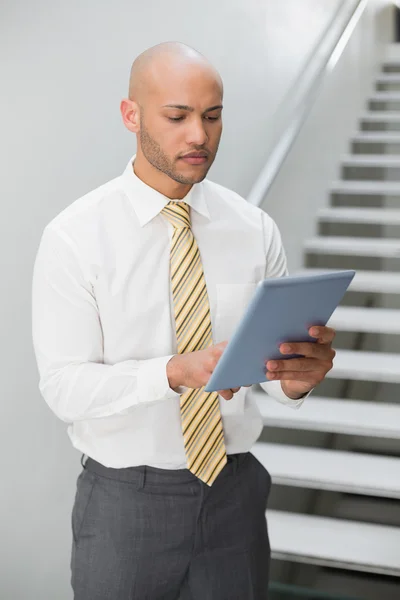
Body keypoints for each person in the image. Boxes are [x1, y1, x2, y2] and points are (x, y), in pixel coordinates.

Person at [31, 41, 336, 600]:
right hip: (126, 504)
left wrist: (295, 380)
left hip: (235, 493)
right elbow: (64, 389)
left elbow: (272, 376)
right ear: (132, 116)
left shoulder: (254, 228)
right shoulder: (75, 237)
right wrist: (171, 371)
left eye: (213, 116)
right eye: (177, 116)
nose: (199, 134)